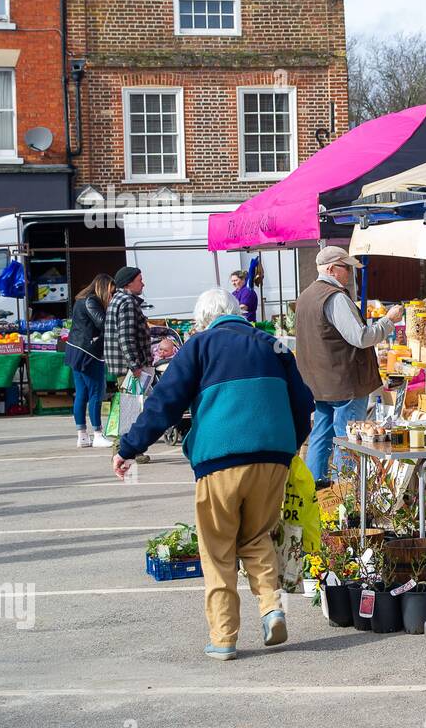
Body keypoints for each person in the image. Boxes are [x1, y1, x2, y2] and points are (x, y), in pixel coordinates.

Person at [113, 289, 314, 660]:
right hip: (273, 458)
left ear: (203, 321)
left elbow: (165, 403)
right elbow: (304, 401)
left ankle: (224, 639)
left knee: (218, 548)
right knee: (256, 537)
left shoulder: (198, 346)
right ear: (238, 313)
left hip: (220, 461)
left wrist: (129, 447)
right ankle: (271, 607)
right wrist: (288, 445)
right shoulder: (275, 345)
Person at [295, 246, 403, 484]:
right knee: (349, 438)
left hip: (320, 383)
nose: (349, 275)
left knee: (322, 435)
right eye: (346, 268)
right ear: (332, 269)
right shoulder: (335, 297)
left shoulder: (306, 296)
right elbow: (361, 337)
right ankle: (345, 497)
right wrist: (388, 321)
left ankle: (316, 491)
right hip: (345, 382)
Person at [104, 265, 154, 460]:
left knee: (129, 407)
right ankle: (124, 450)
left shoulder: (118, 299)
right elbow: (126, 337)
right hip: (129, 366)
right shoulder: (126, 301)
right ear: (128, 283)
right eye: (139, 279)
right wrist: (134, 365)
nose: (143, 283)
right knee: (130, 408)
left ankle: (128, 448)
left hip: (123, 364)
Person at [64, 273, 115, 449]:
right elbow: (103, 323)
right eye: (111, 292)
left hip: (75, 350)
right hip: (89, 353)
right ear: (103, 288)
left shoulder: (82, 299)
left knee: (81, 394)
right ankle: (98, 433)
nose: (112, 296)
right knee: (95, 393)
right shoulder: (92, 301)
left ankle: (82, 435)